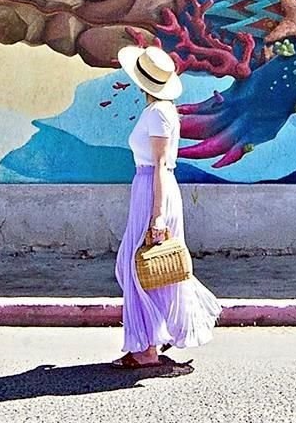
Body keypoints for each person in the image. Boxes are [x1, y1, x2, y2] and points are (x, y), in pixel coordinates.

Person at [111, 44, 222, 369]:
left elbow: (160, 165)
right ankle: (151, 339)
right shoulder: (157, 110)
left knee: (141, 266)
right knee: (139, 267)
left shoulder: (159, 112)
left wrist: (157, 217)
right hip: (147, 187)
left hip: (153, 189)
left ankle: (146, 349)